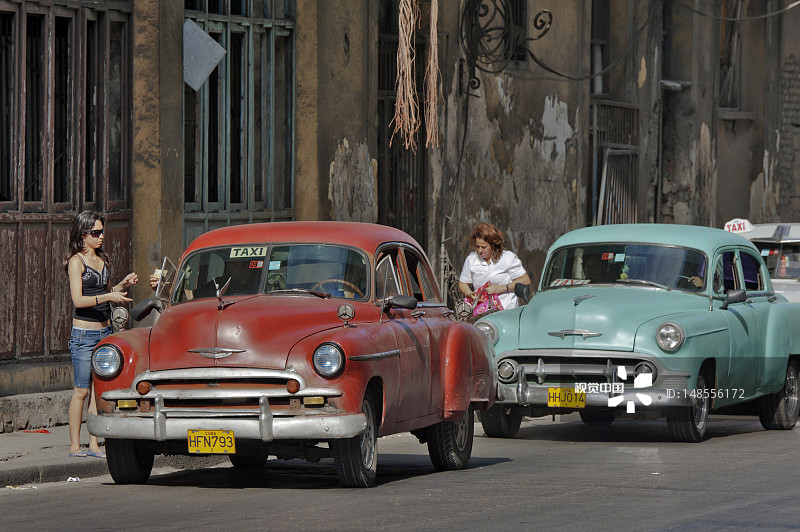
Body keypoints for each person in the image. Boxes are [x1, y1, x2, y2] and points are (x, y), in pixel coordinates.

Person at [64, 211, 138, 458]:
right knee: (81, 391)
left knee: (98, 391)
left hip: (104, 332)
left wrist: (122, 286)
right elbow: (79, 299)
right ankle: (75, 445)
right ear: (83, 235)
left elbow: (107, 291)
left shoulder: (103, 260)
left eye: (102, 231)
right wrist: (109, 296)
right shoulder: (77, 262)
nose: (101, 237)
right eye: (95, 232)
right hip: (84, 335)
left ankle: (94, 443)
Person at [458, 222, 531, 310]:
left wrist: (502, 288)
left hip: (506, 311)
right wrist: (469, 293)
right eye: (478, 247)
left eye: (484, 247)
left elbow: (525, 280)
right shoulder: (471, 259)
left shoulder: (507, 258)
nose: (480, 250)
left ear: (493, 245)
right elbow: (462, 282)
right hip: (481, 312)